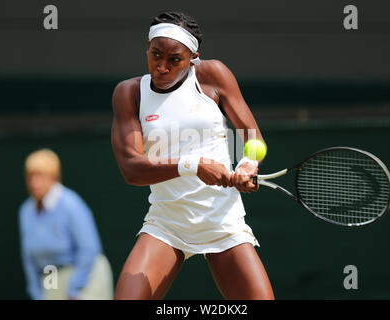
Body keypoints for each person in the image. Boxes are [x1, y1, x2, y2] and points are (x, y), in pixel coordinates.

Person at [111, 11, 275, 300]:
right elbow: (131, 169)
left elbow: (253, 138)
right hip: (167, 223)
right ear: (147, 50)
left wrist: (248, 164)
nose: (162, 67)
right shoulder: (129, 93)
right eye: (155, 55)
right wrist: (194, 165)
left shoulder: (212, 75)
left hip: (223, 221)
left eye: (175, 59)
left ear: (192, 57)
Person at [18, 148, 114, 300]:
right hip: (52, 278)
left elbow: (88, 249)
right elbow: (28, 257)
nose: (35, 182)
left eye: (41, 176)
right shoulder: (25, 211)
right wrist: (37, 293)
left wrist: (74, 290)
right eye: (31, 177)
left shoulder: (71, 204)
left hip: (87, 277)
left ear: (54, 177)